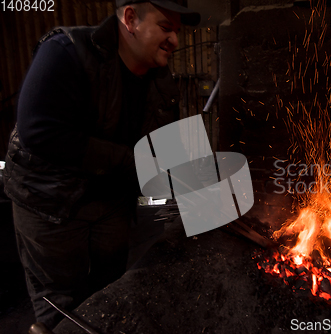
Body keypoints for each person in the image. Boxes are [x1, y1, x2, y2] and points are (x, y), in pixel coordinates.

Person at [2, 0, 200, 329]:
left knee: (109, 292)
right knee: (62, 301)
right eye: (166, 28)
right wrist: (133, 161)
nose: (175, 41)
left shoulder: (160, 79)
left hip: (111, 205)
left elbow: (164, 149)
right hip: (51, 206)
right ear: (131, 18)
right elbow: (39, 131)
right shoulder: (66, 52)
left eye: (177, 32)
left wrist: (205, 193)